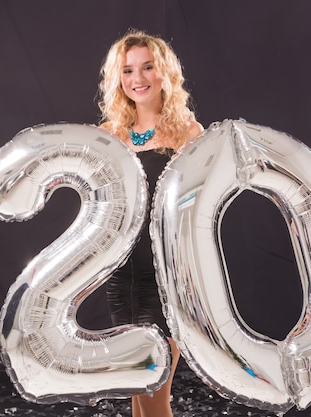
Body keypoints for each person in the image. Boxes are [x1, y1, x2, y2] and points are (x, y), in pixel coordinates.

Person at [97, 29, 203, 417]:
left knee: (153, 390)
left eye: (146, 67)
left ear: (164, 73)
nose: (137, 79)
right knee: (135, 389)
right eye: (127, 71)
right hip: (120, 275)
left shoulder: (188, 134)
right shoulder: (108, 136)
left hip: (164, 274)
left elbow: (195, 212)